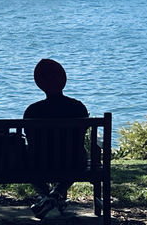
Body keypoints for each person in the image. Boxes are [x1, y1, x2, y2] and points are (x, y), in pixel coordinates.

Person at [23, 59, 89, 219]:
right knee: (79, 156)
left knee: (25, 160)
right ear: (63, 80)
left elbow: (30, 139)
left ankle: (48, 197)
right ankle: (56, 195)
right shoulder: (78, 107)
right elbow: (82, 135)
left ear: (39, 83)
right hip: (74, 162)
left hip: (38, 164)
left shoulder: (32, 111)